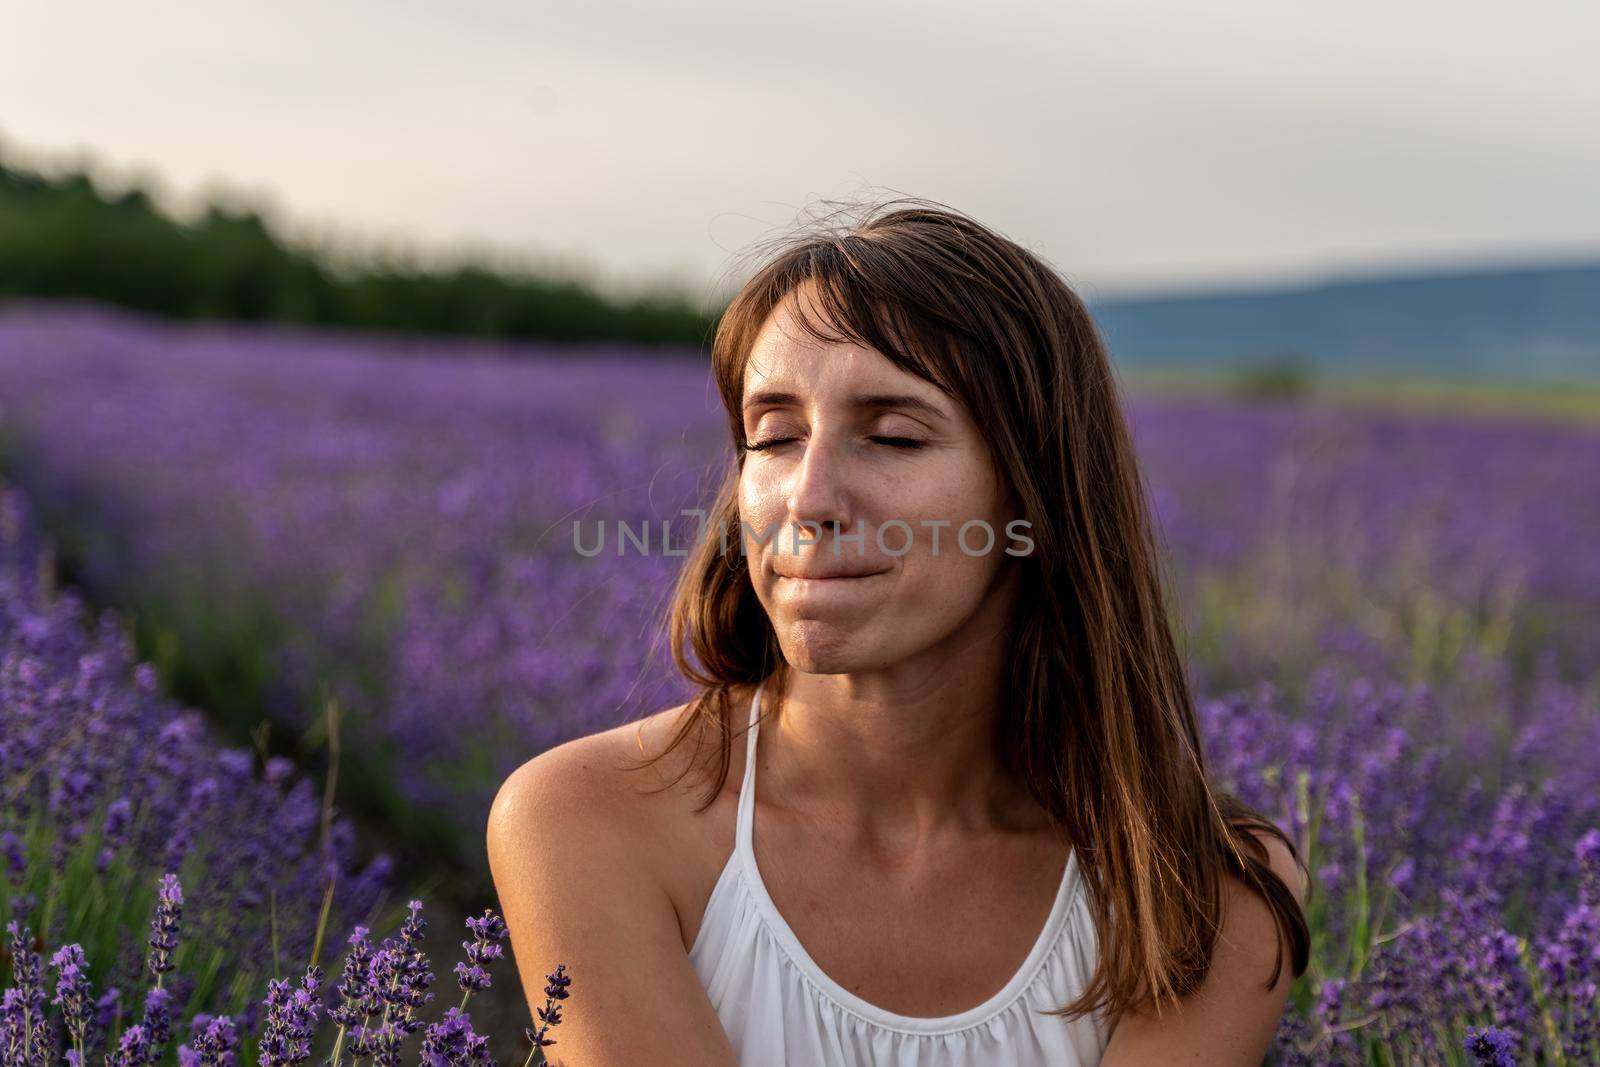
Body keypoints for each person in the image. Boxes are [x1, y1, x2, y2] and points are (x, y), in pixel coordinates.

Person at [487, 198, 1310, 1066]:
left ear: (1033, 495)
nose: (807, 499)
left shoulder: (1202, 889)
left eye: (892, 436)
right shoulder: (590, 820)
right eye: (773, 436)